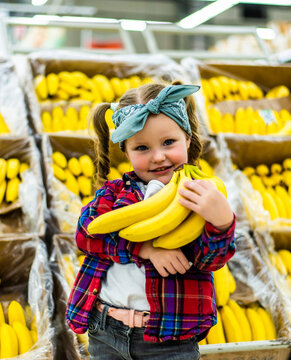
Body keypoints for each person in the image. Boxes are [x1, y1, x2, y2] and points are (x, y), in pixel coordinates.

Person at [66, 82, 237, 360]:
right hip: (105, 328)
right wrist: (144, 249)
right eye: (142, 147)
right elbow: (87, 235)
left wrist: (221, 223)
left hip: (170, 338)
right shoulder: (114, 194)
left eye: (168, 142)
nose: (158, 157)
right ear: (127, 151)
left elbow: (211, 261)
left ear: (188, 140)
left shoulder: (199, 199)